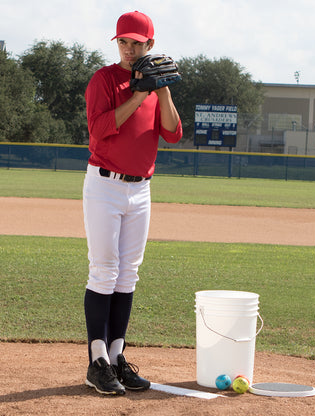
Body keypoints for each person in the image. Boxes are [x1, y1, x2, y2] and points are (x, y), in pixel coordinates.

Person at [83, 10, 182, 395]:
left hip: (141, 189)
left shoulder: (158, 89)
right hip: (105, 186)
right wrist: (138, 92)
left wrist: (163, 91)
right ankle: (97, 362)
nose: (128, 49)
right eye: (122, 42)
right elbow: (99, 129)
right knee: (104, 271)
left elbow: (172, 133)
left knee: (128, 275)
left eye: (136, 43)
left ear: (150, 45)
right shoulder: (104, 80)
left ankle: (116, 357)